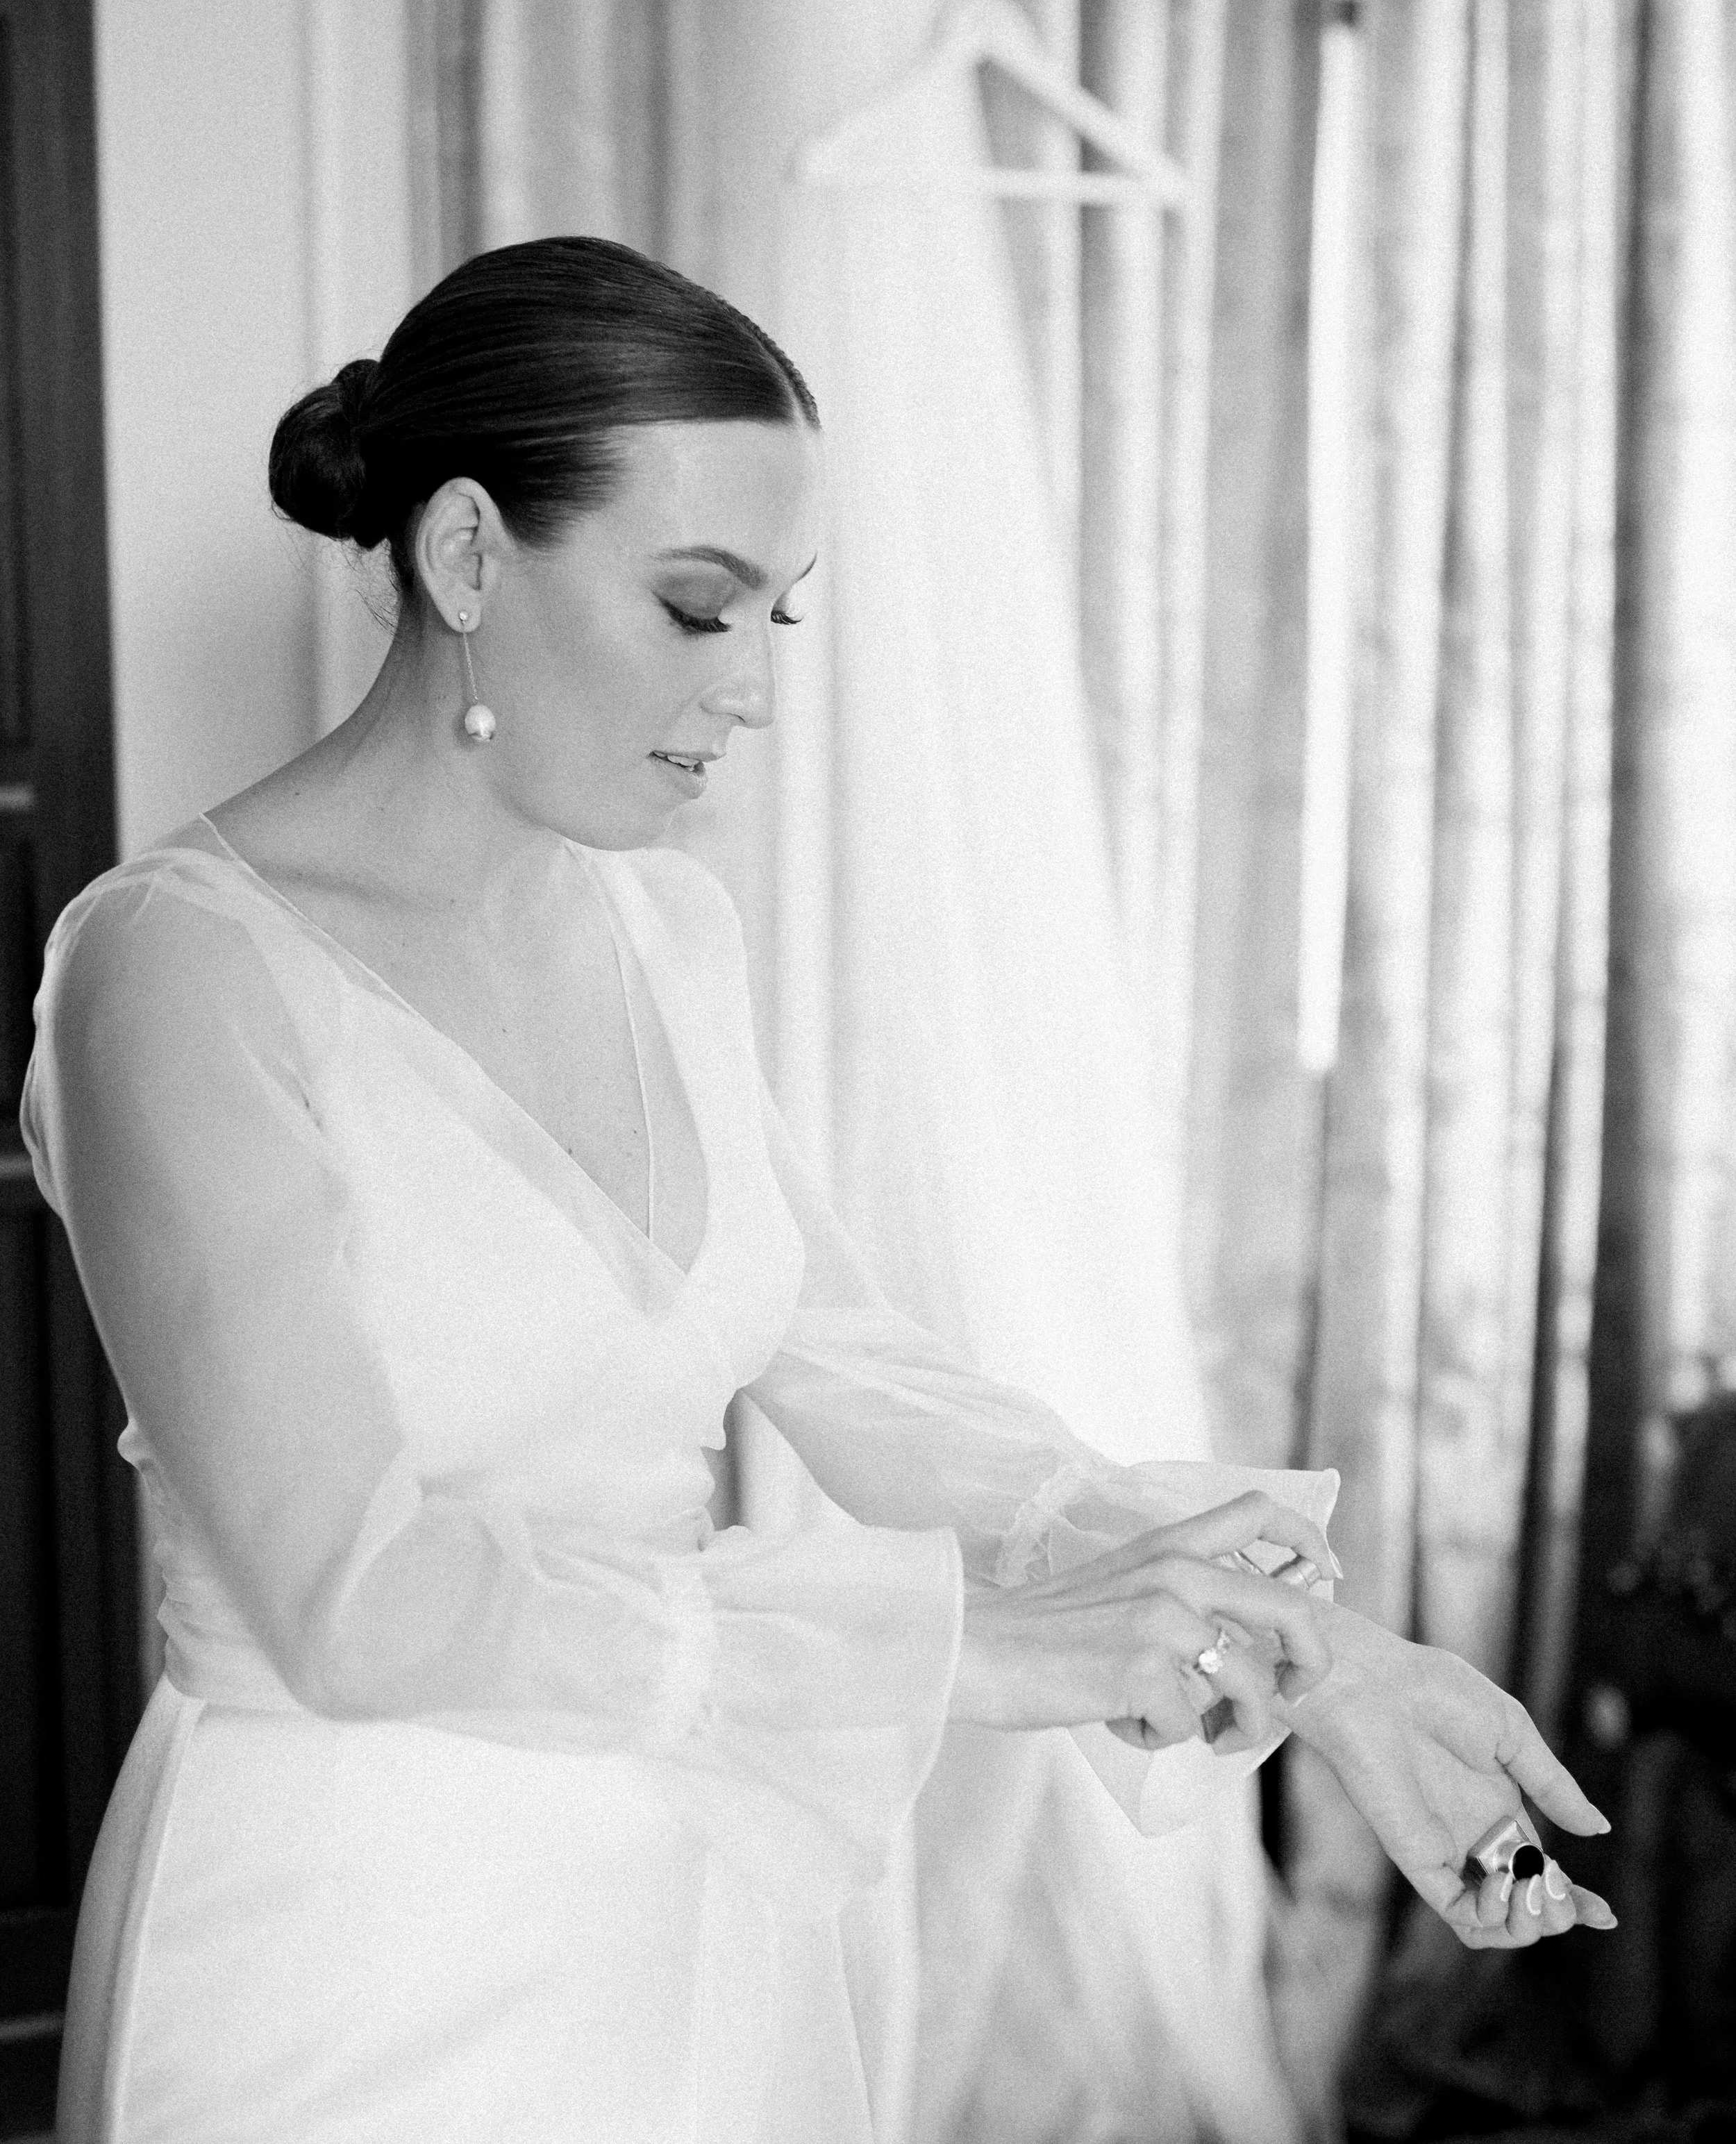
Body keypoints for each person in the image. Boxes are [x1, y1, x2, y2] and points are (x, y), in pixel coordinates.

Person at [25, 237, 1614, 2144]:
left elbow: (864, 1377)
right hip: (345, 1959)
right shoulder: (177, 970)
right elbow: (353, 1595)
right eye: (696, 607)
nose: (750, 689)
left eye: (771, 618)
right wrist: (975, 1648)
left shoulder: (668, 930)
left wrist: (1323, 1658)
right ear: (464, 556)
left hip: (700, 1928)